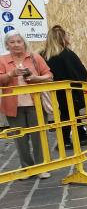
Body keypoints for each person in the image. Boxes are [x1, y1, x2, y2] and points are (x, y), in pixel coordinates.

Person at [0, 31, 53, 177]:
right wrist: (11, 74)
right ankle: (26, 168)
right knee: (20, 138)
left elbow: (49, 75)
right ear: (7, 45)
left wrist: (36, 78)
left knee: (39, 136)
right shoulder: (2, 60)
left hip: (35, 103)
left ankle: (41, 168)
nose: (16, 45)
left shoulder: (35, 57)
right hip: (13, 106)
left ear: (24, 43)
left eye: (19, 41)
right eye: (12, 42)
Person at [43, 25, 87, 149]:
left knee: (69, 113)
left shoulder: (45, 55)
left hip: (55, 91)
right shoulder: (66, 54)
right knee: (67, 114)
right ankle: (64, 141)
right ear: (62, 38)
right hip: (70, 90)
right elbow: (79, 71)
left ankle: (81, 134)